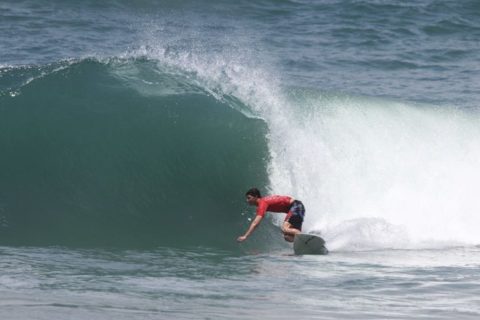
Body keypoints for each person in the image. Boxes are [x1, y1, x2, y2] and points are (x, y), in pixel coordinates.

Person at [237, 187, 305, 243]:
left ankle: (304, 238)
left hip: (296, 206)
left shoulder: (262, 203)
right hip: (298, 207)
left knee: (285, 228)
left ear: (256, 197)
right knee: (287, 237)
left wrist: (245, 236)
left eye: (249, 198)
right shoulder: (263, 203)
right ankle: (304, 242)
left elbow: (255, 223)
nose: (247, 200)